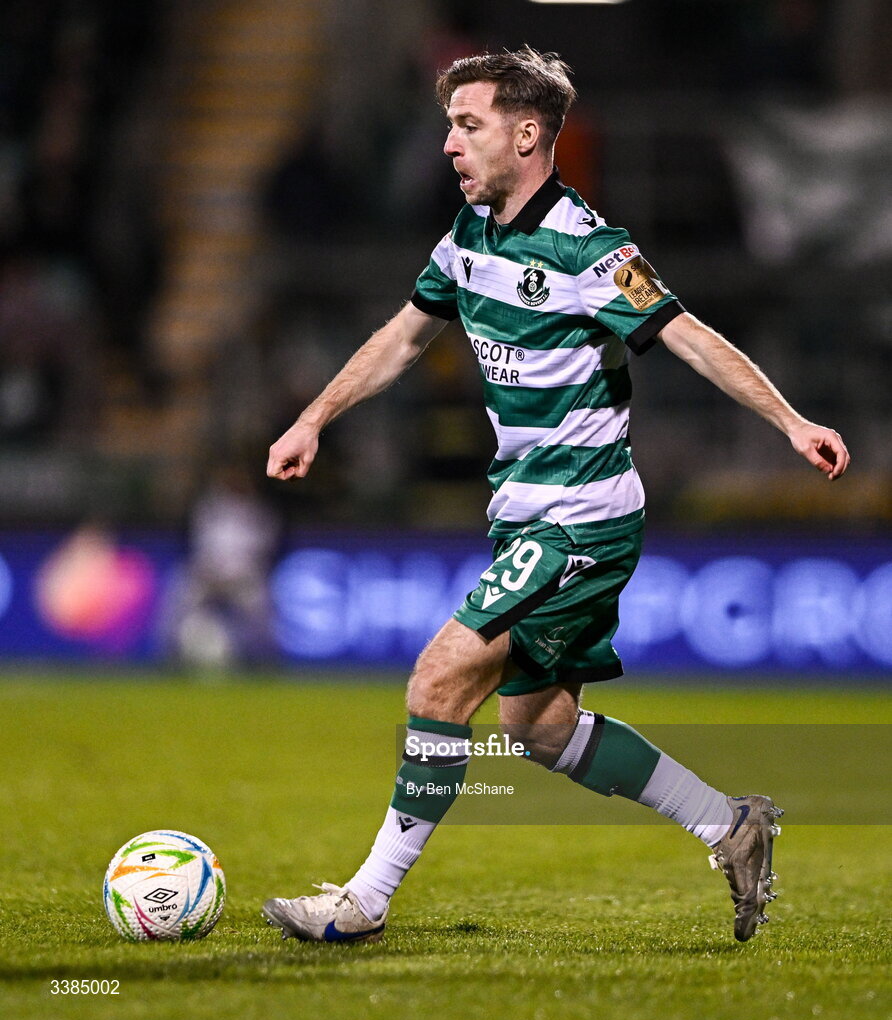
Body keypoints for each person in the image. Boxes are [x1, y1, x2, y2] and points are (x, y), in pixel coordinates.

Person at [263, 47, 850, 945]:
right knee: (538, 728)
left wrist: (790, 421)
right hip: (524, 518)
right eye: (449, 127)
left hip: (581, 516)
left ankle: (364, 900)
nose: (450, 145)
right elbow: (404, 339)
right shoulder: (467, 238)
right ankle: (730, 825)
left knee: (438, 677)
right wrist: (313, 418)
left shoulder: (591, 247)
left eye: (469, 125)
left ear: (527, 133)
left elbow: (686, 335)